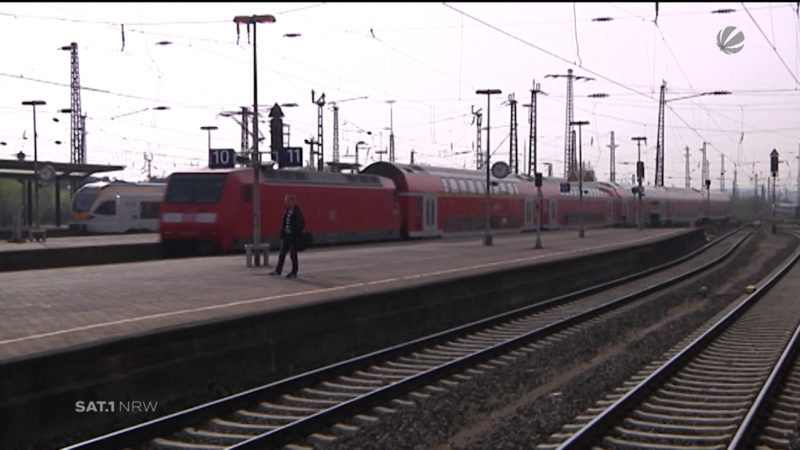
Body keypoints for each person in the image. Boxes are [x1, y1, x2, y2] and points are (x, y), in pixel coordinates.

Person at [269, 194, 305, 278]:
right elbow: (284, 223)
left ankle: (294, 272)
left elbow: (301, 223)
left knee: (293, 255)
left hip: (293, 237)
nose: (287, 203)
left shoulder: (297, 212)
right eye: (286, 202)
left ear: (293, 202)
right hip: (286, 236)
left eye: (288, 201)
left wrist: (296, 233)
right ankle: (278, 271)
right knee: (282, 254)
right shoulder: (286, 211)